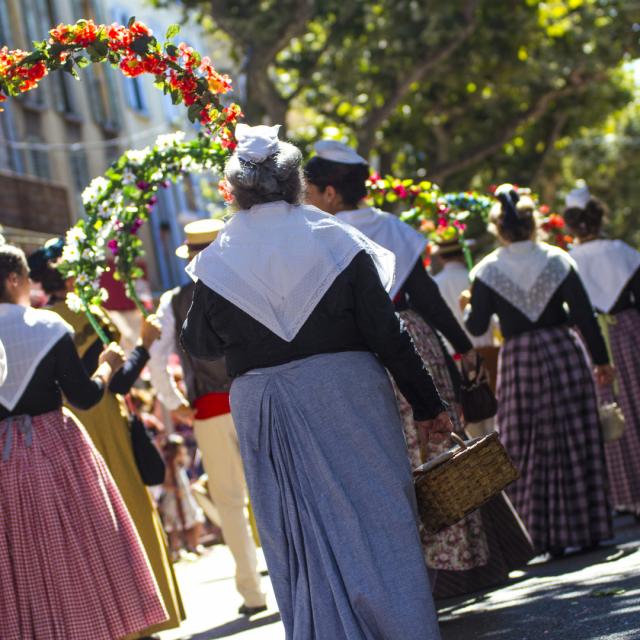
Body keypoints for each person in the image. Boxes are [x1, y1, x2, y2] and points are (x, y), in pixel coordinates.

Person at [182, 123, 447, 639]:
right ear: (296, 183)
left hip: (266, 402)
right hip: (348, 393)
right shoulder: (336, 239)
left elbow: (201, 345)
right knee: (379, 515)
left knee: (295, 531)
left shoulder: (216, 258)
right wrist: (428, 405)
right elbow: (386, 333)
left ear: (234, 192)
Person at [305, 141, 533, 597]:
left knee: (381, 465)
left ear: (330, 192)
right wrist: (464, 349)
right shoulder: (394, 229)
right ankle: (457, 565)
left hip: (359, 356)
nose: (305, 197)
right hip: (416, 345)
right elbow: (427, 298)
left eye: (309, 189)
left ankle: (402, 574)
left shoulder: (317, 236)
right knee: (437, 452)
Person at [0, 244, 168, 639]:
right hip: (52, 445)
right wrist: (106, 368)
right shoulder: (46, 326)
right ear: (14, 280)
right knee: (74, 550)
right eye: (26, 279)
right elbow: (85, 397)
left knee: (18, 562)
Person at [464, 184, 615, 556]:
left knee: (528, 442)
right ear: (534, 224)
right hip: (563, 349)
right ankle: (591, 528)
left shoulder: (486, 270)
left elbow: (476, 325)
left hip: (520, 359)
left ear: (498, 229)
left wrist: (467, 304)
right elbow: (585, 317)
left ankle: (543, 536)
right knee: (577, 433)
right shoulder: (558, 259)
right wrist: (602, 361)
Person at [148, 218, 268, 616]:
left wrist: (173, 399)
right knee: (273, 491)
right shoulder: (249, 281)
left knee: (230, 503)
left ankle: (252, 592)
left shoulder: (174, 300)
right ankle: (290, 579)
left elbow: (157, 357)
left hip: (210, 409)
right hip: (258, 399)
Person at [564, 184, 640, 518]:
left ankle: (625, 494)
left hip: (591, 339)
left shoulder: (568, 260)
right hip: (630, 331)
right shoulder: (621, 251)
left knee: (609, 411)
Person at [432, 237, 500, 436]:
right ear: (462, 254)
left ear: (442, 258)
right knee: (495, 415)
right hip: (488, 354)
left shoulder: (436, 284)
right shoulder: (476, 277)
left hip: (457, 361)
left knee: (473, 423)